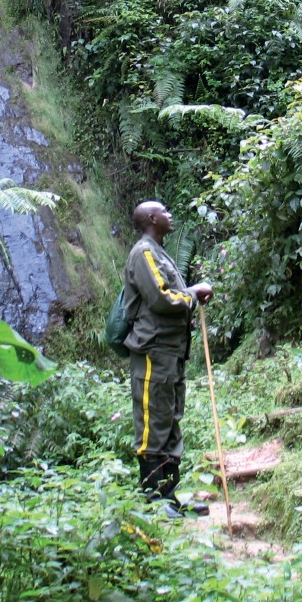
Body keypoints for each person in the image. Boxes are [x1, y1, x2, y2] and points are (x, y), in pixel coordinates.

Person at [121, 200, 213, 518]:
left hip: (171, 352)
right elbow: (161, 299)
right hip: (153, 351)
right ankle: (153, 502)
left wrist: (189, 294)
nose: (170, 214)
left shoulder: (158, 251)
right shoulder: (143, 253)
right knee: (152, 424)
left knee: (170, 421)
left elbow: (170, 295)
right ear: (151, 219)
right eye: (164, 211)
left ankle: (169, 497)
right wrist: (193, 292)